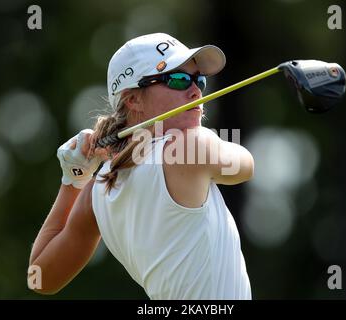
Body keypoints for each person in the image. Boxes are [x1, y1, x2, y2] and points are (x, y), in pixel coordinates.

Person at [28, 33, 254, 299]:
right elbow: (246, 166)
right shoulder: (190, 145)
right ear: (133, 99)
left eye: (198, 80)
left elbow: (40, 278)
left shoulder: (98, 188)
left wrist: (73, 180)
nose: (196, 91)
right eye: (178, 80)